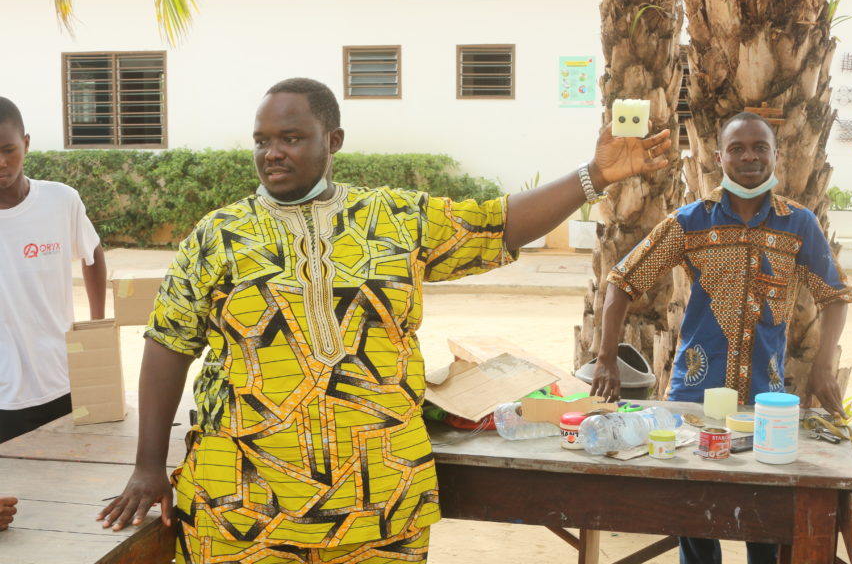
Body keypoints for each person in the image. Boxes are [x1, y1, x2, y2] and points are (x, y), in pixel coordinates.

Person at [97, 77, 672, 563]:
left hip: (379, 506)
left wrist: (594, 175)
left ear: (334, 140)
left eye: (291, 138)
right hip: (244, 510)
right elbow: (167, 346)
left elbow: (498, 224)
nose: (272, 152)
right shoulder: (217, 237)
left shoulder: (391, 219)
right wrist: (149, 465)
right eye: (262, 141)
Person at [590, 111, 852, 564]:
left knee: (764, 521)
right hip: (694, 400)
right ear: (718, 157)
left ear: (776, 155)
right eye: (737, 148)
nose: (748, 156)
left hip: (764, 402)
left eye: (759, 148)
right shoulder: (691, 221)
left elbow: (836, 295)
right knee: (694, 520)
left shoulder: (798, 225)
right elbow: (622, 279)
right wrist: (605, 357)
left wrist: (824, 366)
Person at [0, 96, 107, 444]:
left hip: (65, 380)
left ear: (26, 144)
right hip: (5, 397)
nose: (1, 162)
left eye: (9, 149)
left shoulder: (61, 200)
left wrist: (95, 324)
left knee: (67, 484)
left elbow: (92, 252)